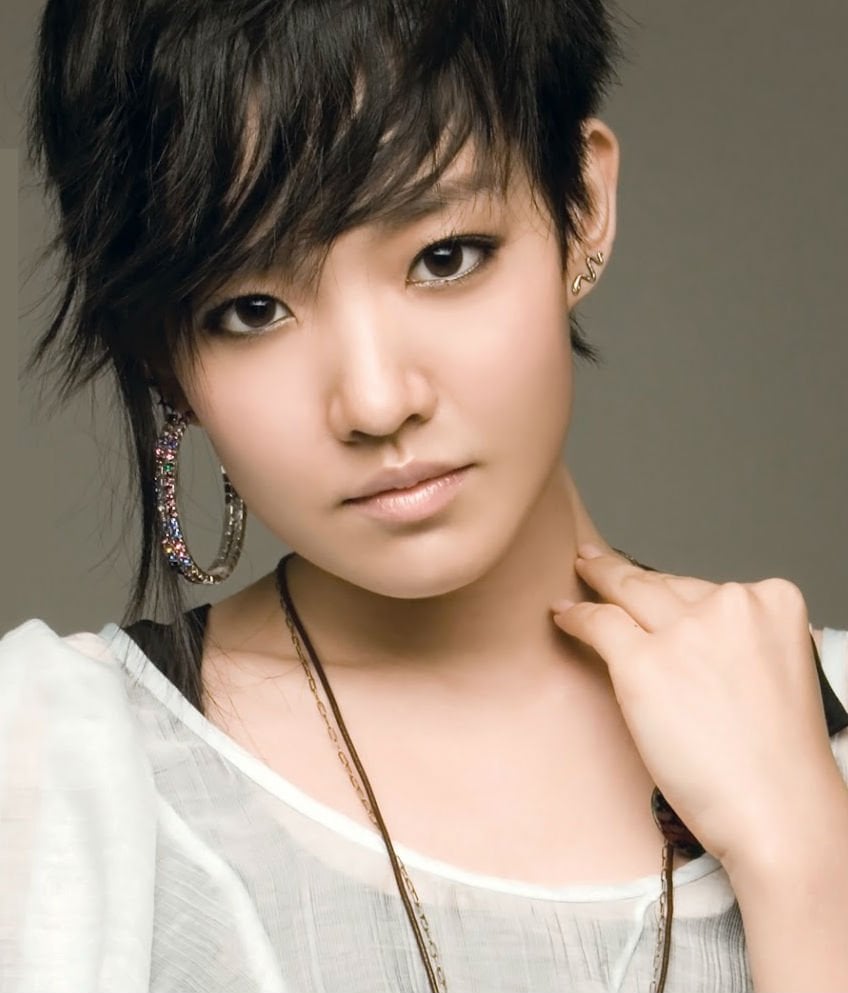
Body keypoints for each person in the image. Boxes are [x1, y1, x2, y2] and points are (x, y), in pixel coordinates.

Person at [2, 1, 847, 991]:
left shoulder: (817, 739)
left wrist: (804, 861)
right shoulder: (58, 774)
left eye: (444, 258)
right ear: (162, 357)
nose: (374, 401)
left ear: (580, 205)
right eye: (251, 309)